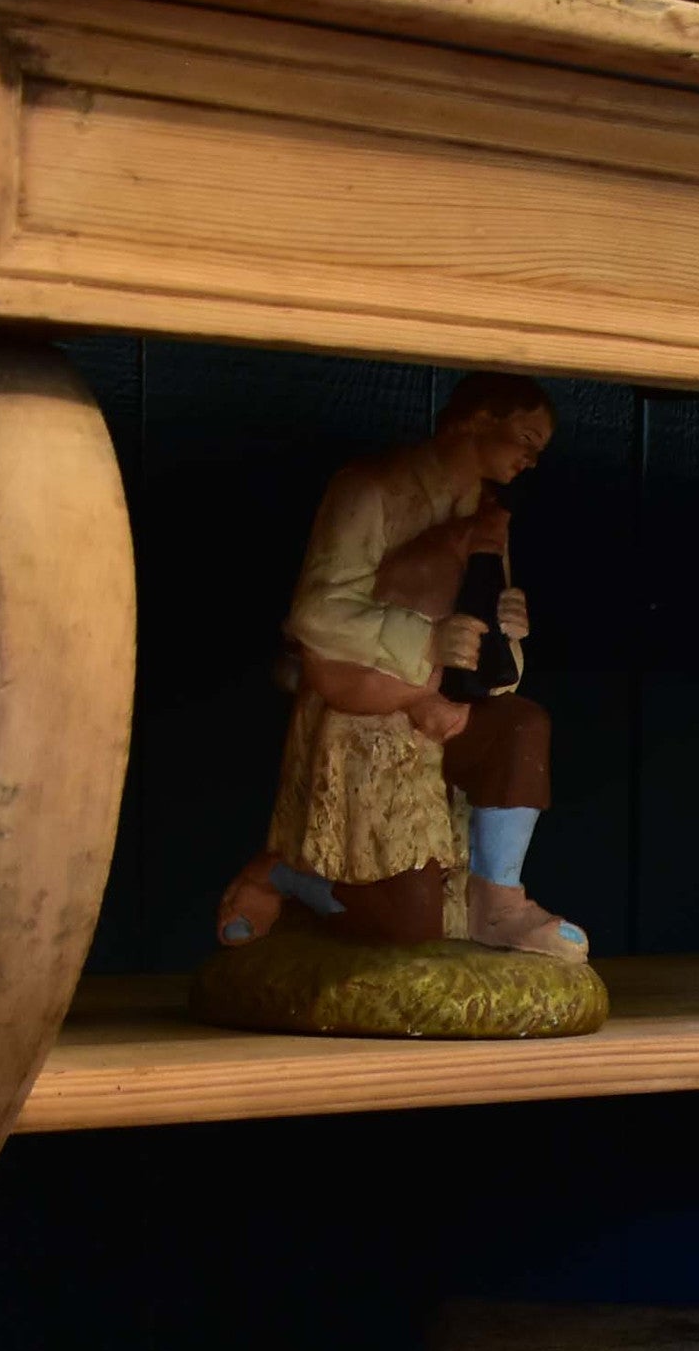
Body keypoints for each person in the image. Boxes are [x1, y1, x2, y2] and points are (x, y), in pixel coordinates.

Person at [216, 373, 586, 958]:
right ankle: (284, 874)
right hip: (365, 708)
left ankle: (499, 901)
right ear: (476, 419)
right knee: (412, 924)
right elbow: (317, 611)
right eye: (524, 438)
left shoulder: (487, 518)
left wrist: (508, 636)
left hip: (447, 707)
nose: (530, 458)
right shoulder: (370, 490)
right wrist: (427, 642)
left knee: (521, 725)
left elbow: (486, 649)